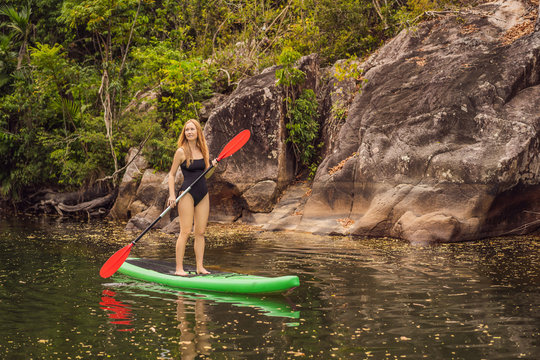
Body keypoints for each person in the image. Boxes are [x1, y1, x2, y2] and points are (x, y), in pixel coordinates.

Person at [168, 119, 217, 276]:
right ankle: (179, 269)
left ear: (198, 132)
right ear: (184, 133)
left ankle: (199, 267)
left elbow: (206, 175)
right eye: (187, 130)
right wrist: (171, 195)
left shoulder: (203, 150)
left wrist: (213, 167)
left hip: (202, 193)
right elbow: (171, 174)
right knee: (185, 232)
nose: (189, 132)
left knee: (200, 232)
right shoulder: (181, 152)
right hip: (186, 193)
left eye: (192, 129)